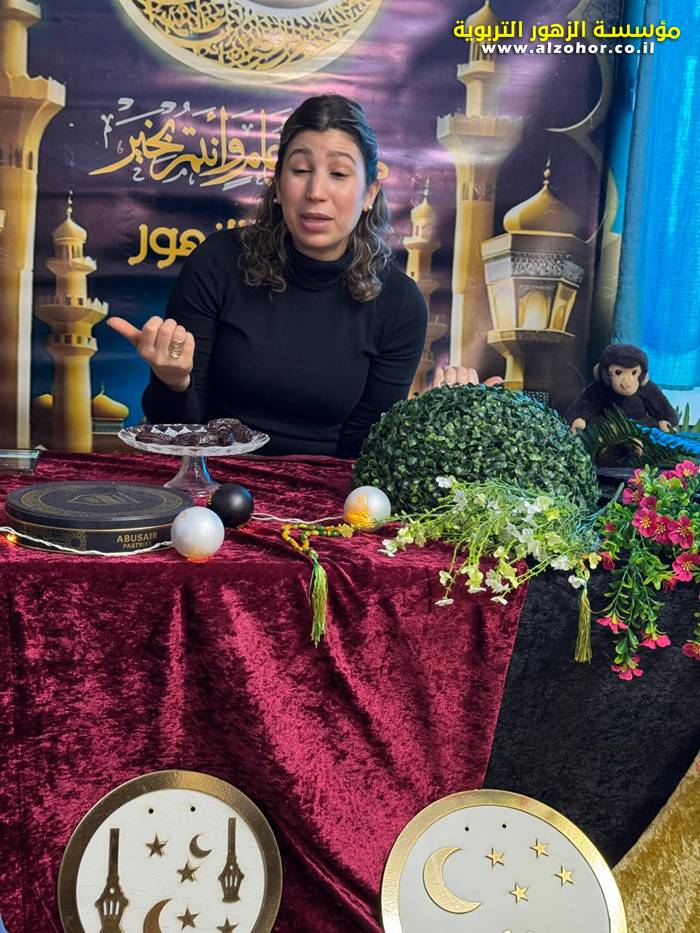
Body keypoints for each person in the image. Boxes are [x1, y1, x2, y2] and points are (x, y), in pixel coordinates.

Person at [108, 94, 497, 456]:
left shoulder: (400, 303)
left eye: (339, 173)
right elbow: (179, 433)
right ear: (278, 185)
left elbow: (364, 447)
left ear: (369, 193)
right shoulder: (218, 262)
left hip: (328, 493)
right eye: (300, 170)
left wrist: (437, 419)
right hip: (216, 478)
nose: (316, 191)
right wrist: (173, 381)